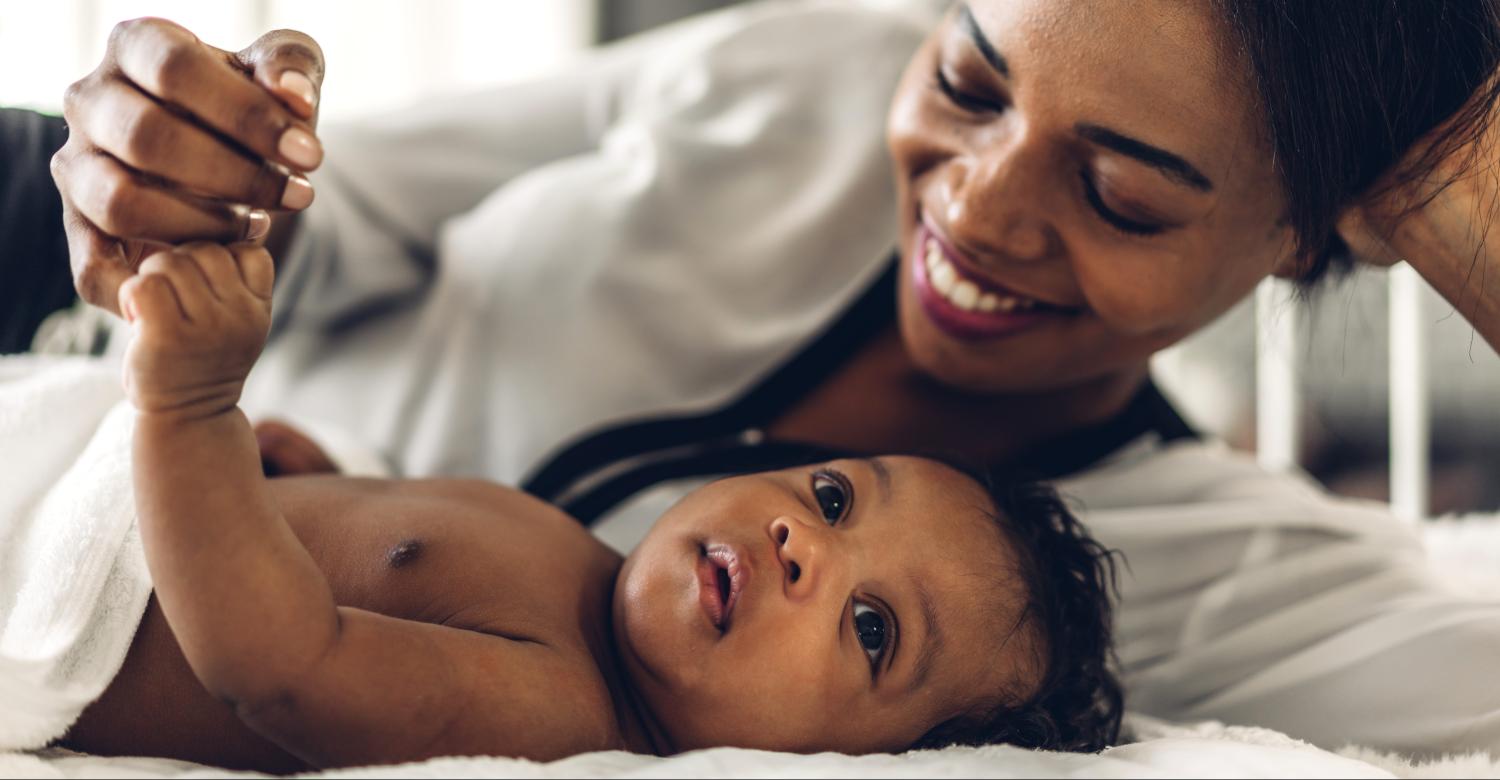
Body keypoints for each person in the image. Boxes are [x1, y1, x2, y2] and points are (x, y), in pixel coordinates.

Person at [9, 0, 1500, 759]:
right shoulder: (811, 72)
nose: (974, 210)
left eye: (1120, 194)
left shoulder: (1231, 576)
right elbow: (345, 220)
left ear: (1318, 232)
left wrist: (1456, 176)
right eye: (972, 82)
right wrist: (194, 165)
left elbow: (283, 661)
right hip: (117, 328)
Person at [33, 242, 1121, 771]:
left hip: (58, 581)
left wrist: (191, 406)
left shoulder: (555, 706)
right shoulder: (581, 564)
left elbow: (280, 667)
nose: (803, 545)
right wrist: (296, 477)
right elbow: (391, 556)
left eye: (872, 627)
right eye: (835, 498)